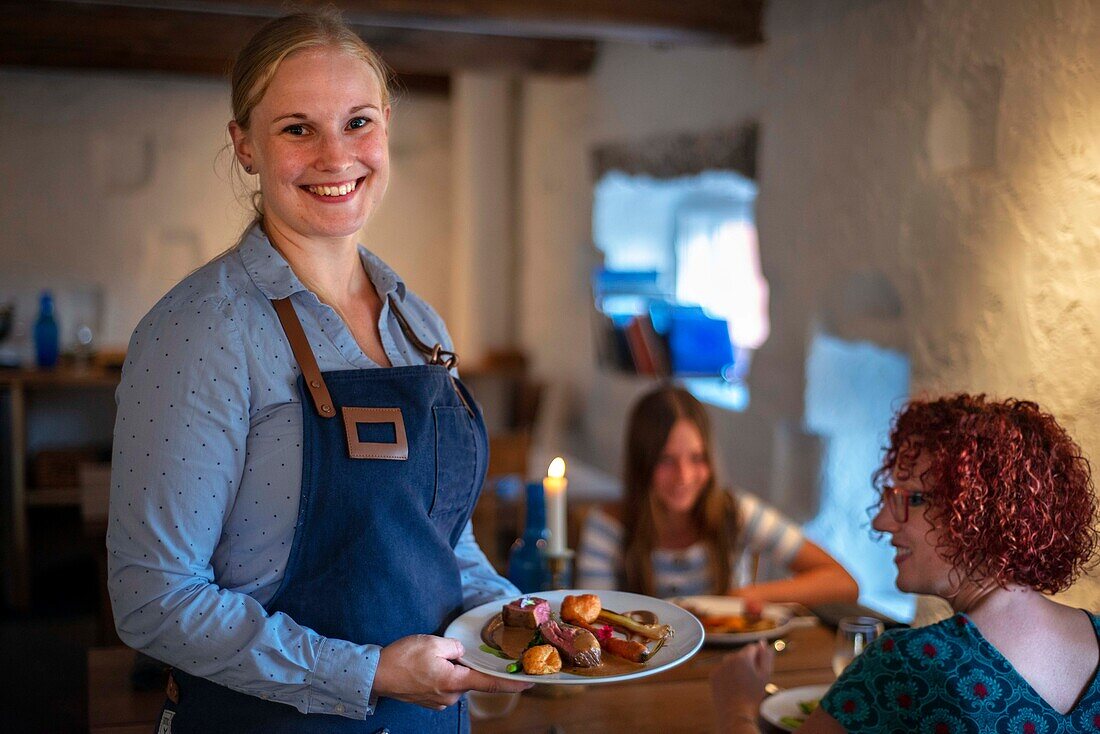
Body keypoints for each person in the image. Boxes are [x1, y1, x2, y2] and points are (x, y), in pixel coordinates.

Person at [106, 10, 529, 733]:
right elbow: (153, 598)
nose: (337, 157)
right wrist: (366, 673)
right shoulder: (201, 331)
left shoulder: (418, 325)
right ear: (245, 146)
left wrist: (509, 630)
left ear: (387, 127)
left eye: (358, 122)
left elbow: (442, 542)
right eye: (297, 128)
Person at [711, 394, 1100, 733]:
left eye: (911, 499)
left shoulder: (907, 665)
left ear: (981, 514)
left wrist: (737, 705)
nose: (881, 521)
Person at [576, 385, 858, 606]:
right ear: (641, 464)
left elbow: (843, 584)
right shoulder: (607, 527)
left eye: (697, 458)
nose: (684, 476)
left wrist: (747, 597)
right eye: (666, 460)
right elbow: (595, 625)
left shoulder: (735, 511)